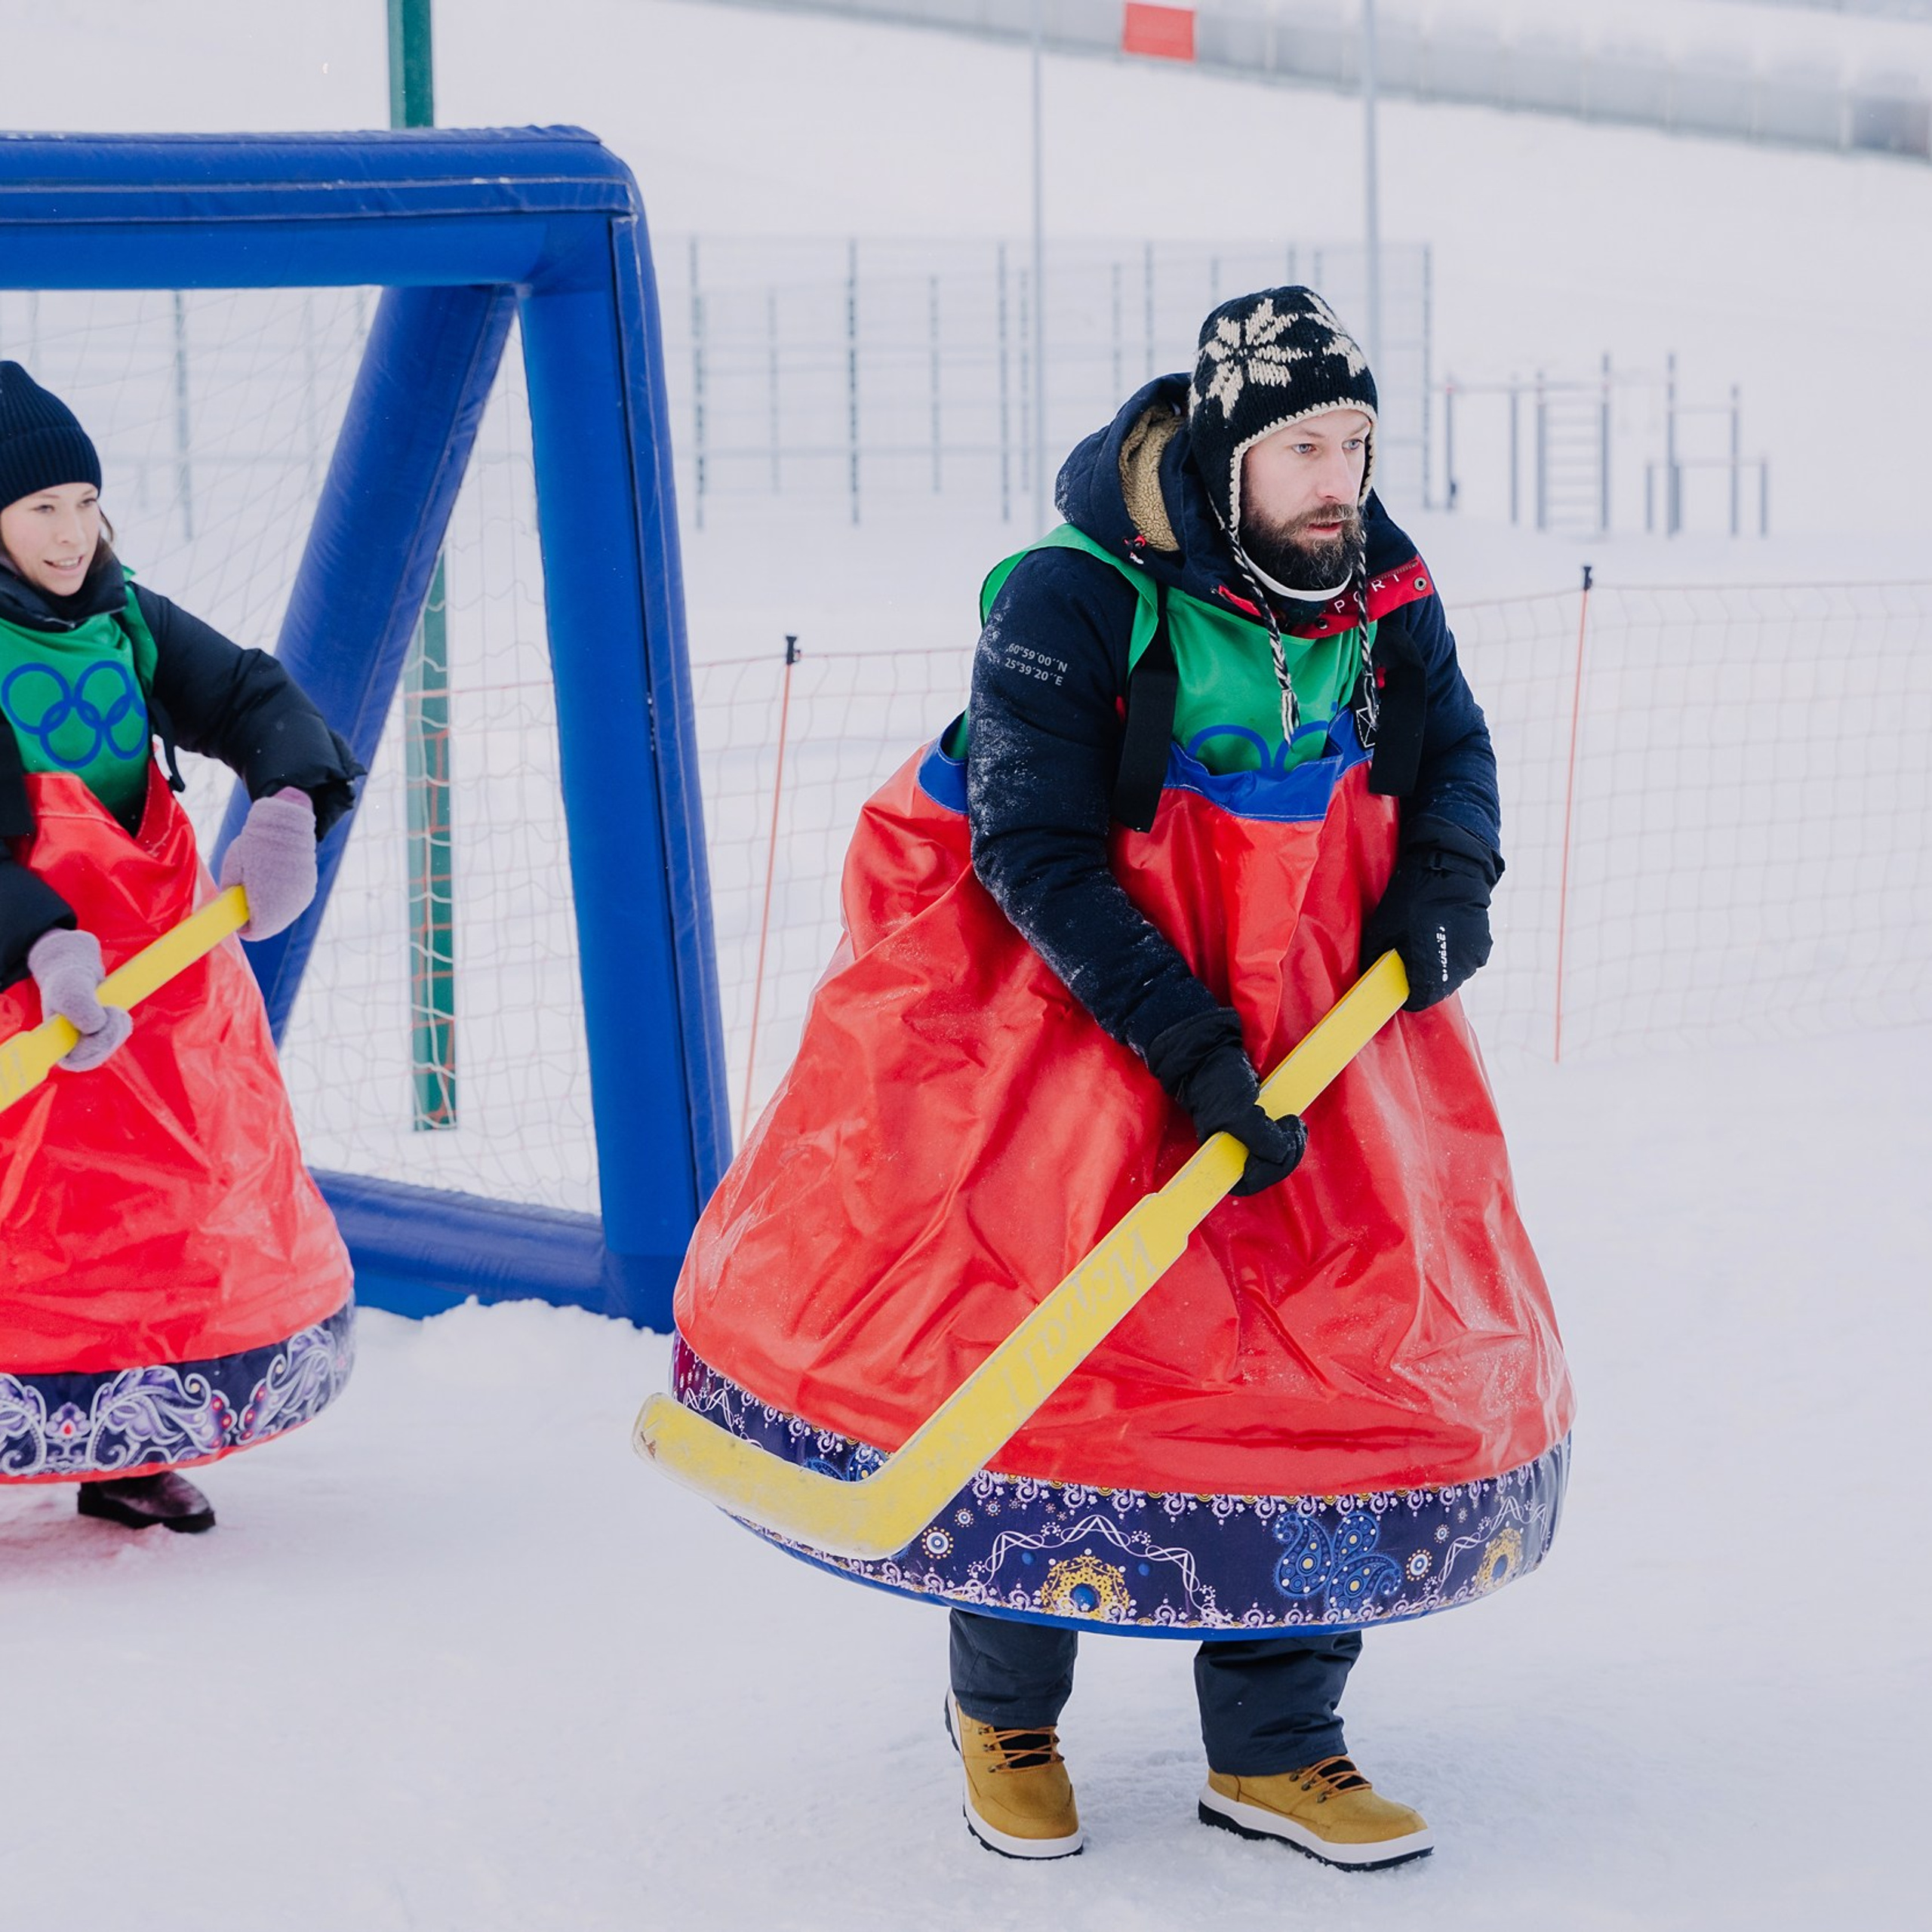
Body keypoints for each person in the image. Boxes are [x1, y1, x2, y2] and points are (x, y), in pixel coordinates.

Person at [667, 289, 1573, 1869]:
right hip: (1066, 1027)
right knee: (1037, 1349)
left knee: (1327, 1359)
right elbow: (1027, 842)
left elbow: (1457, 745)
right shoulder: (1066, 598)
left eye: (1355, 440)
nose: (1338, 476)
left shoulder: (1377, 585)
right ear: (1225, 455)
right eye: (1304, 443)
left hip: (1322, 1035)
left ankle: (1279, 1744)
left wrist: (1447, 866)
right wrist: (1185, 1043)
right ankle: (1006, 1712)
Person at [0, 361, 361, 1534]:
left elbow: (255, 696)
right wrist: (43, 947)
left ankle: (133, 1445)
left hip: (154, 988)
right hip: (23, 987)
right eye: (39, 509)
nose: (70, 532)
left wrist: (290, 800)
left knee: (164, 1213)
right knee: (26, 1226)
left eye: (84, 502)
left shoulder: (127, 619)